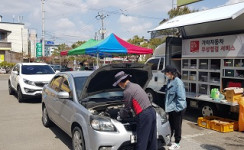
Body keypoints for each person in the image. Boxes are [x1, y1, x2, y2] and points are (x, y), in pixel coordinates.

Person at [113, 71, 157, 150]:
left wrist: (120, 116)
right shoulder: (136, 85)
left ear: (120, 83)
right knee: (152, 140)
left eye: (118, 84)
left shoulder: (127, 91)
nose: (119, 86)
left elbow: (127, 108)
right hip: (152, 112)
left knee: (142, 141)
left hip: (144, 115)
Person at [162, 65, 187, 150]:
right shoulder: (170, 81)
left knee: (177, 126)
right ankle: (169, 140)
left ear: (170, 73)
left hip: (177, 108)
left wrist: (177, 109)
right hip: (171, 108)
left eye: (166, 73)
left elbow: (182, 98)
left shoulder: (178, 83)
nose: (165, 74)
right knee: (170, 125)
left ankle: (177, 143)